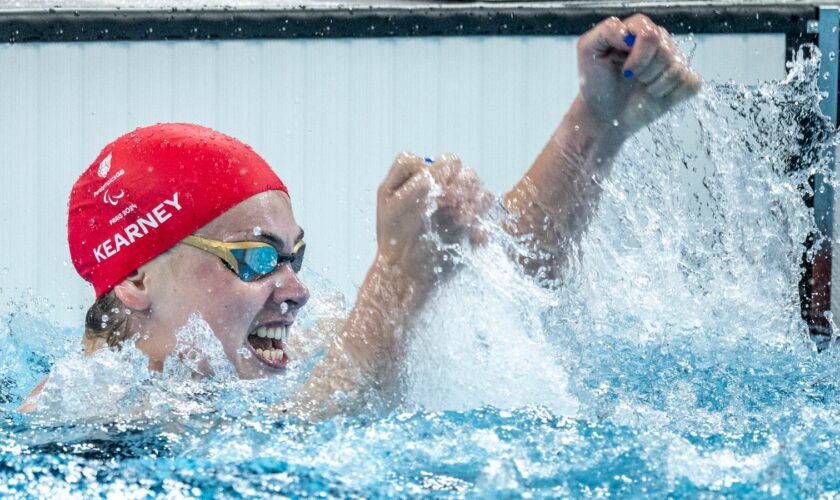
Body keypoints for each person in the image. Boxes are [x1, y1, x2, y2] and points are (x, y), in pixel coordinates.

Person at [19, 14, 701, 417]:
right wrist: (399, 280)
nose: (296, 289)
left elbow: (509, 286)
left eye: (294, 257)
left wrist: (595, 127)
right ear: (137, 278)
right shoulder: (81, 419)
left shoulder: (288, 357)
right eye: (256, 258)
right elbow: (285, 469)